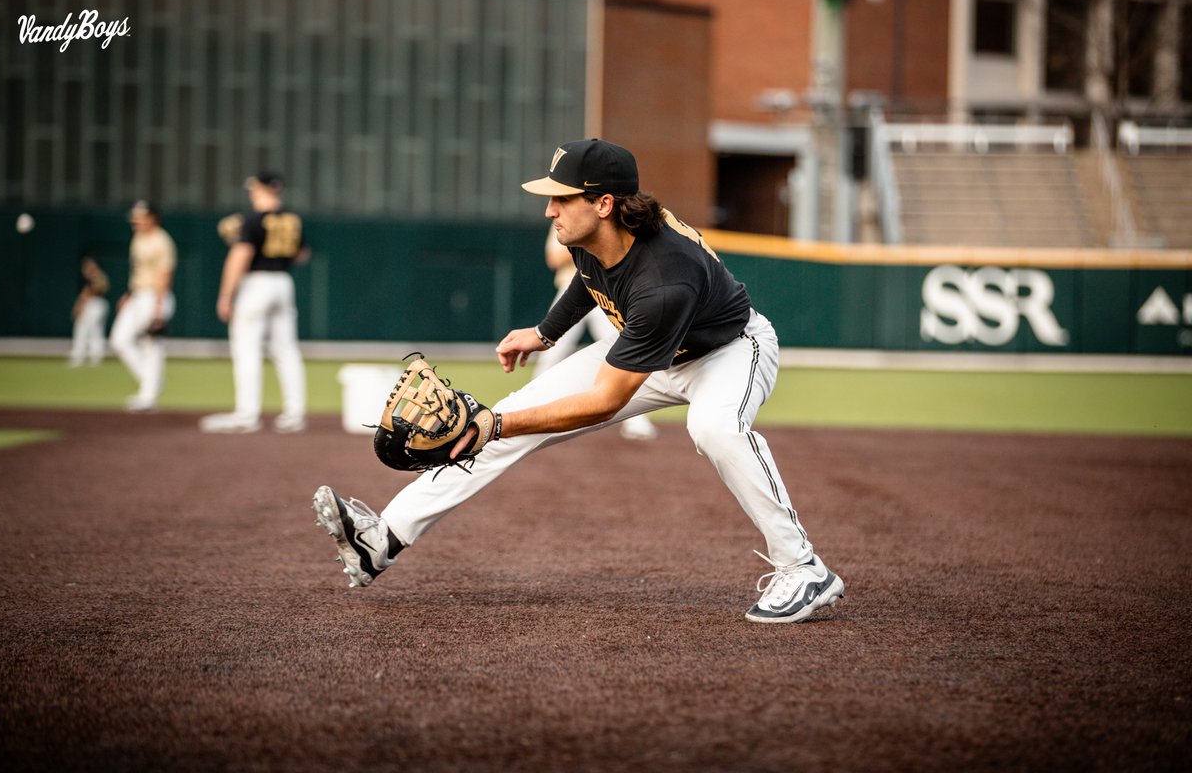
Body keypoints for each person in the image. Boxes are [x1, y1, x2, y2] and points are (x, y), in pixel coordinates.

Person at [311, 139, 844, 624]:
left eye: (561, 198)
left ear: (604, 203)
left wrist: (496, 423)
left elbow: (602, 402)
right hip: (648, 345)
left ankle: (802, 566)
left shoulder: (665, 279)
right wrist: (544, 333)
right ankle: (380, 539)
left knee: (714, 428)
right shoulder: (592, 232)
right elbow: (590, 278)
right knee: (497, 425)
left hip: (727, 351)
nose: (549, 209)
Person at [200, 171, 309, 434]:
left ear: (260, 189)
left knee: (246, 348)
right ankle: (295, 414)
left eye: (253, 189)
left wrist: (226, 295)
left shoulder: (251, 220)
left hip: (257, 284)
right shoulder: (291, 219)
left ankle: (247, 415)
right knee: (286, 351)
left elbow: (240, 257)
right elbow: (302, 254)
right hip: (283, 282)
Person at [532, 223, 658, 441]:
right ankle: (530, 411)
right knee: (550, 355)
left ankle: (636, 420)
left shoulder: (608, 217)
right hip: (570, 292)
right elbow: (554, 258)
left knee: (623, 350)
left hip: (603, 290)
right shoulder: (562, 219)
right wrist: (585, 238)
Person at [109, 201, 176, 412]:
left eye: (141, 217)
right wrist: (129, 294)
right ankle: (152, 381)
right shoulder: (138, 238)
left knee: (152, 346)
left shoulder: (161, 241)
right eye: (135, 218)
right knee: (119, 339)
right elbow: (138, 271)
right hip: (138, 295)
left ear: (153, 218)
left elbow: (165, 275)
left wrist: (158, 309)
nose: (136, 221)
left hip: (155, 297)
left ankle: (148, 396)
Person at [69, 256, 110, 367]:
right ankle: (85, 357)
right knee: (89, 330)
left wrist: (80, 305)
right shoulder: (89, 279)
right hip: (94, 305)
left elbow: (95, 291)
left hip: (96, 304)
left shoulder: (98, 276)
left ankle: (90, 357)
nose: (86, 269)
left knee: (89, 330)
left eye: (88, 265)